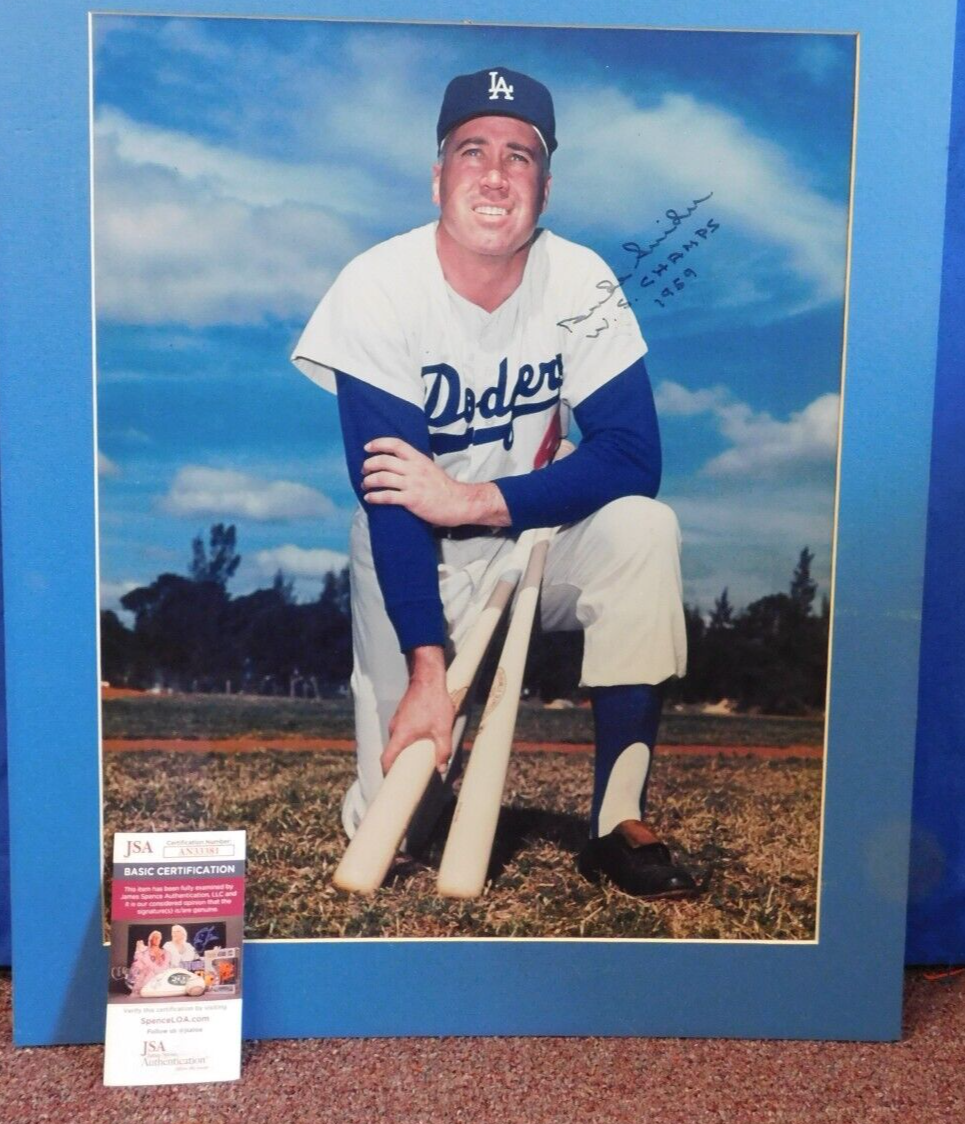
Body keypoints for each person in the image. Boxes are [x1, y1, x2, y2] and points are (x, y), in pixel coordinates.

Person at [293, 66, 697, 898]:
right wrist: (428, 675)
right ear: (438, 174)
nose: (494, 172)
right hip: (417, 554)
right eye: (472, 150)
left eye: (519, 157)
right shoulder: (378, 286)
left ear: (543, 189)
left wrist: (478, 499)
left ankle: (618, 822)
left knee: (642, 528)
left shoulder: (580, 280)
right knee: (404, 831)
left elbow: (632, 454)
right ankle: (387, 776)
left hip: (537, 542)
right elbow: (394, 498)